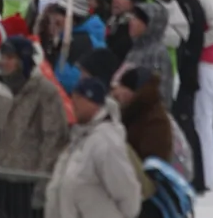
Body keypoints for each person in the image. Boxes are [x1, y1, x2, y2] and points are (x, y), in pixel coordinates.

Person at [0, 35, 68, 215]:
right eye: (2, 57)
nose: (3, 62)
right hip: (1, 174)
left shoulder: (45, 92)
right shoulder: (0, 90)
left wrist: (43, 184)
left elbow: (53, 139)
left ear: (24, 60)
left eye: (10, 58)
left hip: (30, 179)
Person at [47, 76, 143, 218]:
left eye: (79, 98)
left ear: (94, 103)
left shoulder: (105, 141)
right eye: (73, 97)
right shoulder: (80, 139)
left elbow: (127, 191)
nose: (73, 103)